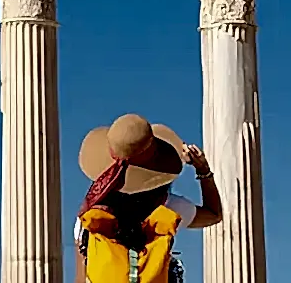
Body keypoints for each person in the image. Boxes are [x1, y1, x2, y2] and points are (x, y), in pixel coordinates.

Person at [74, 113, 222, 283]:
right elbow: (214, 214)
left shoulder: (88, 220)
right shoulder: (169, 208)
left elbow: (81, 278)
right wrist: (203, 170)